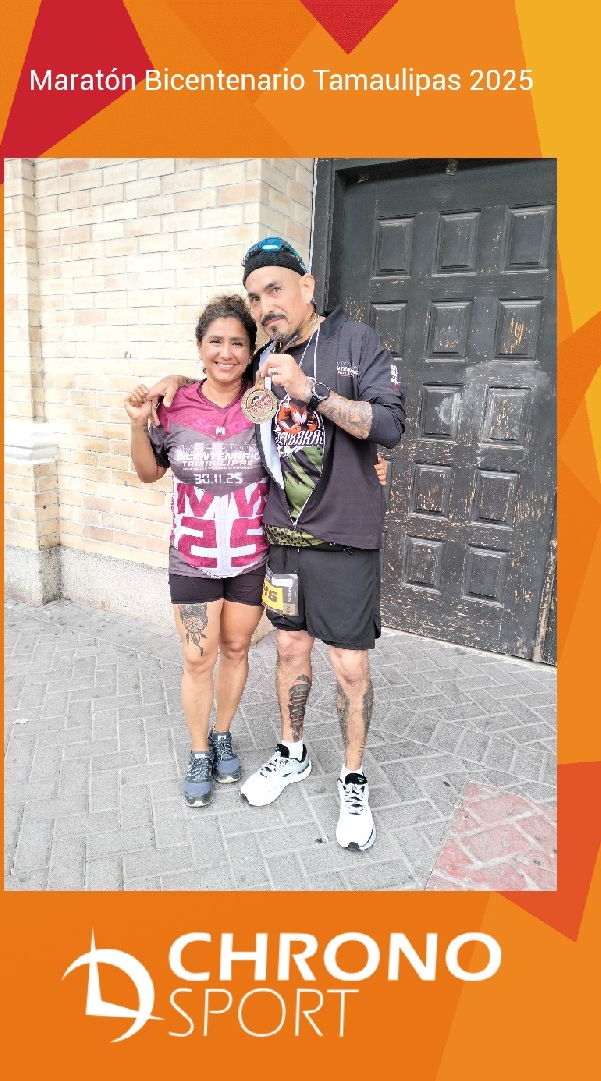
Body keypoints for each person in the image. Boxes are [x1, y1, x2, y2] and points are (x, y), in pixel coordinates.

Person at [149, 240, 405, 850]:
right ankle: (293, 752)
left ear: (307, 287)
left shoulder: (355, 343)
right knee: (289, 650)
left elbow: (391, 425)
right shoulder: (261, 358)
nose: (266, 305)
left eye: (276, 289)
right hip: (283, 540)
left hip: (343, 538)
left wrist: (312, 391)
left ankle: (353, 778)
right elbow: (217, 381)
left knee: (349, 665)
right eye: (256, 296)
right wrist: (173, 382)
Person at [124, 295, 268, 808]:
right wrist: (138, 422)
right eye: (216, 342)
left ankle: (223, 733)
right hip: (192, 557)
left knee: (236, 649)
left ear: (251, 351)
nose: (226, 353)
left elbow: (306, 452)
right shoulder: (173, 406)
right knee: (196, 656)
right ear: (199, 347)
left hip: (251, 556)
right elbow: (149, 472)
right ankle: (199, 749)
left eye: (238, 343)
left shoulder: (267, 404)